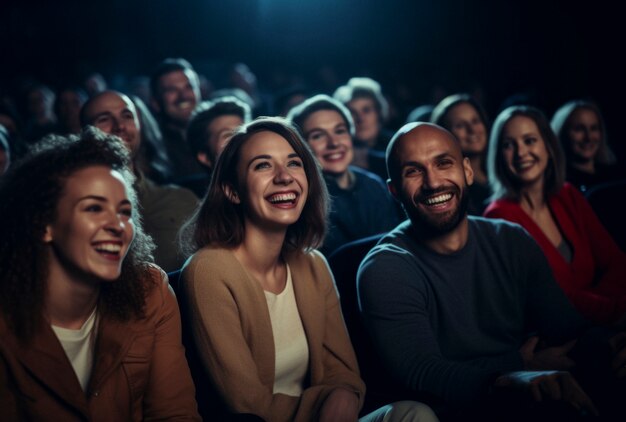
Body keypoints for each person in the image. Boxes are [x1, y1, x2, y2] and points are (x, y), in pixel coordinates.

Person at [358, 122, 626, 421]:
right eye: (413, 171)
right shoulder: (385, 267)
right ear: (394, 190)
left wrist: (608, 344)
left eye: (443, 163)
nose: (433, 182)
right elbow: (421, 371)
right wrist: (515, 368)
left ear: (468, 171)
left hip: (529, 401)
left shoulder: (511, 239)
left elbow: (566, 327)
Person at [180, 117, 438, 422]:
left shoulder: (313, 263)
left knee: (414, 413)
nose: (284, 177)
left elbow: (344, 372)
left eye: (294, 163)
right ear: (232, 191)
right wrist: (327, 402)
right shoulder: (209, 270)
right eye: (263, 165)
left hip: (332, 416)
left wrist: (343, 393)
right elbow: (245, 403)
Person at [0, 127, 200, 420]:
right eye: (94, 208)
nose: (117, 226)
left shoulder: (150, 290)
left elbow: (174, 413)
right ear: (45, 224)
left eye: (124, 212)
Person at [483, 105, 626, 325]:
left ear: (548, 147)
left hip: (604, 322)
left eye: (530, 140)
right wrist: (613, 312)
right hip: (557, 337)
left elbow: (616, 262)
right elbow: (550, 298)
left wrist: (611, 308)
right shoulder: (498, 217)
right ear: (499, 156)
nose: (521, 153)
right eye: (508, 145)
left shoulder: (567, 195)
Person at [81, 90, 199, 272]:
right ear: (84, 133)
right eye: (104, 119)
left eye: (127, 116)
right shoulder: (80, 212)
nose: (119, 125)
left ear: (139, 125)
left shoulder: (181, 199)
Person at [287, 94, 401, 255]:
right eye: (318, 135)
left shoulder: (374, 185)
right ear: (301, 146)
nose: (333, 143)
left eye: (340, 131)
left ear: (350, 135)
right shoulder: (301, 198)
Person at [430, 94, 491, 215]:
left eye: (475, 121)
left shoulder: (504, 171)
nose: (472, 129)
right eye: (460, 125)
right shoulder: (451, 189)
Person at [149, 57, 205, 180]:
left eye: (188, 87)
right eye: (172, 90)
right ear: (155, 103)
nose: (184, 96)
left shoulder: (218, 134)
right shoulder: (152, 150)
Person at [184, 96, 252, 197]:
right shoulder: (188, 200)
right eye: (228, 136)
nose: (240, 140)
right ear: (205, 157)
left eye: (243, 133)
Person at [551, 100, 624, 192]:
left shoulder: (616, 175)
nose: (588, 137)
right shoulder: (559, 184)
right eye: (579, 129)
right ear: (562, 133)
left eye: (594, 128)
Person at [333, 77, 391, 179]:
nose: (361, 119)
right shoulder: (337, 152)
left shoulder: (396, 144)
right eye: (353, 112)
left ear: (379, 112)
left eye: (366, 110)